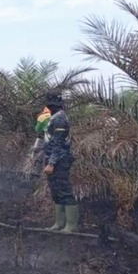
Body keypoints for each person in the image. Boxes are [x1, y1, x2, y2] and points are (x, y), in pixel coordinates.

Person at [39, 90, 79, 232]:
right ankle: (59, 223)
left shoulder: (60, 119)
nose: (48, 107)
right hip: (52, 158)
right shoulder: (52, 118)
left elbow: (58, 143)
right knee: (56, 190)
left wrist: (51, 163)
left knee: (64, 190)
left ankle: (71, 226)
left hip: (60, 160)